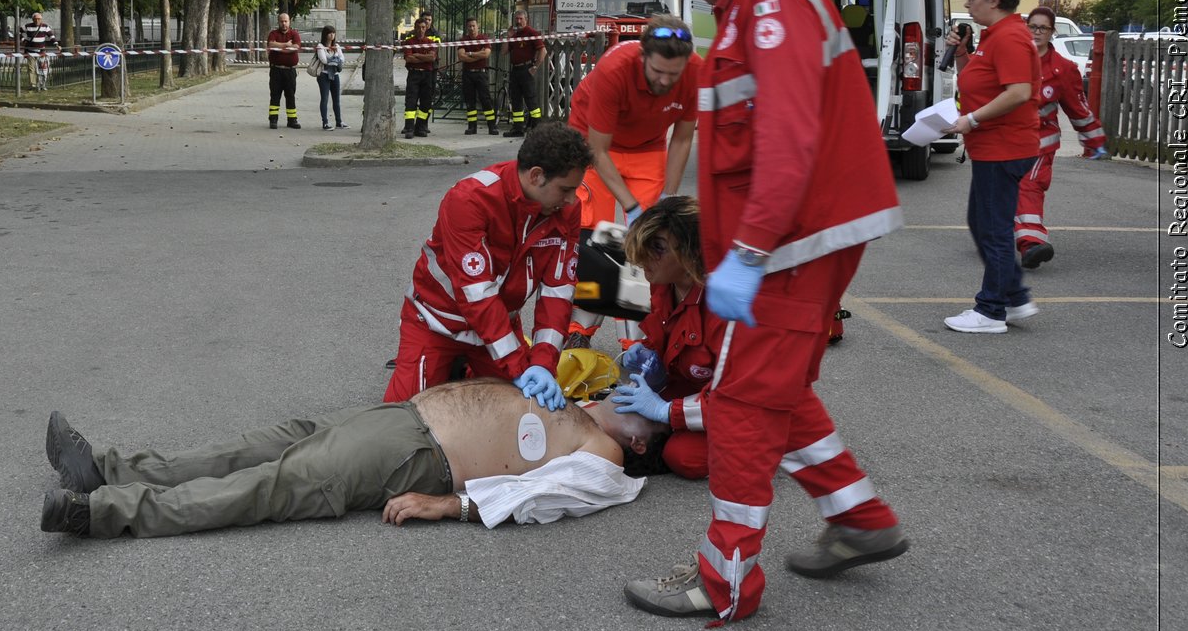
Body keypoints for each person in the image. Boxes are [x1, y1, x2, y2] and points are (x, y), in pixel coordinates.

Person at [624, 0, 907, 625]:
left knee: (743, 402)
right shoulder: (762, 4)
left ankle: (724, 582)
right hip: (795, 239)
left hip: (789, 243)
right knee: (775, 387)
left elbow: (787, 138)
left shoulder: (770, 3)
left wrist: (747, 253)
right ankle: (859, 517)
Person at [38, 379, 669, 538]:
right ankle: (111, 470)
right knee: (260, 444)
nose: (629, 391)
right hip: (402, 418)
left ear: (641, 440)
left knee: (271, 484)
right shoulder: (586, 405)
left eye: (643, 401)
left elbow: (546, 497)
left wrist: (452, 506)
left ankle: (101, 512)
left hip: (421, 454)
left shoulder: (607, 457)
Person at [383, 123, 591, 409]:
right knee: (405, 417)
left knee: (525, 416)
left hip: (500, 327)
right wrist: (517, 367)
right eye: (565, 189)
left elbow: (558, 291)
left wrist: (543, 363)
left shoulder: (566, 209)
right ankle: (457, 371)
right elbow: (476, 294)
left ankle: (464, 374)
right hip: (437, 323)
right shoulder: (470, 199)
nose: (571, 199)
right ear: (536, 176)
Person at [564, 13, 702, 348]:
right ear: (642, 57)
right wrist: (631, 206)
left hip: (646, 147)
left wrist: (667, 198)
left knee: (646, 247)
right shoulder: (614, 70)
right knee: (593, 241)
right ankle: (579, 331)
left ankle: (637, 342)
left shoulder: (697, 72)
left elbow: (682, 140)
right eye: (657, 72)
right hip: (592, 144)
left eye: (674, 74)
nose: (665, 82)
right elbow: (598, 149)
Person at [942, 0, 1042, 334]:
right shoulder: (995, 36)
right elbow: (980, 81)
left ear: (994, 0)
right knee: (984, 223)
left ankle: (991, 310)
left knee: (993, 229)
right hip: (993, 147)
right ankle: (1014, 297)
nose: (969, 3)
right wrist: (962, 53)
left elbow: (1017, 92)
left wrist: (973, 120)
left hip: (1003, 146)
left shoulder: (1011, 37)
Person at [606, 196, 727, 480]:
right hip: (691, 386)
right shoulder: (663, 283)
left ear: (692, 253)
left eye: (658, 248)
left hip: (738, 400)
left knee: (683, 456)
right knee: (619, 409)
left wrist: (666, 411)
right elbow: (667, 335)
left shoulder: (724, 307)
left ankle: (768, 443)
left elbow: (736, 396)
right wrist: (647, 351)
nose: (645, 257)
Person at [1013, 5, 1109, 268]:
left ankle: (1031, 244)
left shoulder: (1063, 69)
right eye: (1032, 26)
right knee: (1002, 190)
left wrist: (1094, 140)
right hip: (1005, 141)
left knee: (1029, 186)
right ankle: (994, 234)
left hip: (1040, 143)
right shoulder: (1012, 57)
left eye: (1043, 28)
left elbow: (1078, 109)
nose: (1037, 32)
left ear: (1052, 32)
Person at [501, 7, 546, 137]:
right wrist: (508, 38)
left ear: (526, 20)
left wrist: (535, 67)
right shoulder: (514, 35)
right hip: (515, 70)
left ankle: (537, 128)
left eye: (521, 19)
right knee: (516, 100)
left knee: (531, 100)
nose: (518, 21)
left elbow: (543, 51)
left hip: (526, 70)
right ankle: (518, 128)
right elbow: (504, 52)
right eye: (516, 19)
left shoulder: (532, 33)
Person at [401, 11, 440, 138]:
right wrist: (424, 57)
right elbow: (409, 59)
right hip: (414, 75)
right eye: (418, 27)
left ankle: (421, 127)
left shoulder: (430, 41)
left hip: (427, 75)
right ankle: (409, 129)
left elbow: (432, 58)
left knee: (426, 102)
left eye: (423, 27)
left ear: (426, 28)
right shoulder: (409, 41)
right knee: (411, 102)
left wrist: (416, 55)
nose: (421, 30)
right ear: (415, 28)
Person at [457, 16, 496, 135]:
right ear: (466, 27)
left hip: (481, 73)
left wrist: (470, 54)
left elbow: (486, 54)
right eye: (469, 26)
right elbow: (461, 57)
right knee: (470, 101)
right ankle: (472, 127)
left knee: (486, 100)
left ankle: (492, 126)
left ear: (478, 26)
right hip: (468, 74)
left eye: (474, 26)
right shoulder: (463, 40)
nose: (472, 28)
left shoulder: (484, 38)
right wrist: (476, 55)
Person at [266, 11, 303, 129]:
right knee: (275, 95)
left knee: (290, 95)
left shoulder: (294, 34)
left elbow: (296, 47)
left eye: (286, 21)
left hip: (290, 71)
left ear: (289, 22)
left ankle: (292, 120)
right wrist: (286, 44)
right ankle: (273, 120)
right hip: (276, 71)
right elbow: (271, 45)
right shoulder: (273, 33)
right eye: (281, 21)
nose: (284, 23)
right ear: (278, 22)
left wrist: (280, 47)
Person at [314, 25, 348, 130]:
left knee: (336, 99)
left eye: (333, 33)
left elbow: (342, 59)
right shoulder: (320, 46)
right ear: (325, 34)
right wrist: (336, 59)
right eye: (330, 33)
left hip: (335, 75)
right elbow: (324, 60)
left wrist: (334, 60)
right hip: (324, 75)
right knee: (324, 98)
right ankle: (325, 122)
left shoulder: (336, 46)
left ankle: (339, 121)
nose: (332, 35)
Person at [21, 12, 57, 91]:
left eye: (39, 19)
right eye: (35, 19)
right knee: (31, 69)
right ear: (32, 19)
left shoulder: (45, 26)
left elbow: (51, 35)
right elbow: (20, 32)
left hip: (41, 52)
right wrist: (23, 39)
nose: (37, 20)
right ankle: (33, 84)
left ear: (41, 19)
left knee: (43, 69)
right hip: (30, 51)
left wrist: (56, 44)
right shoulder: (27, 26)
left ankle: (42, 84)